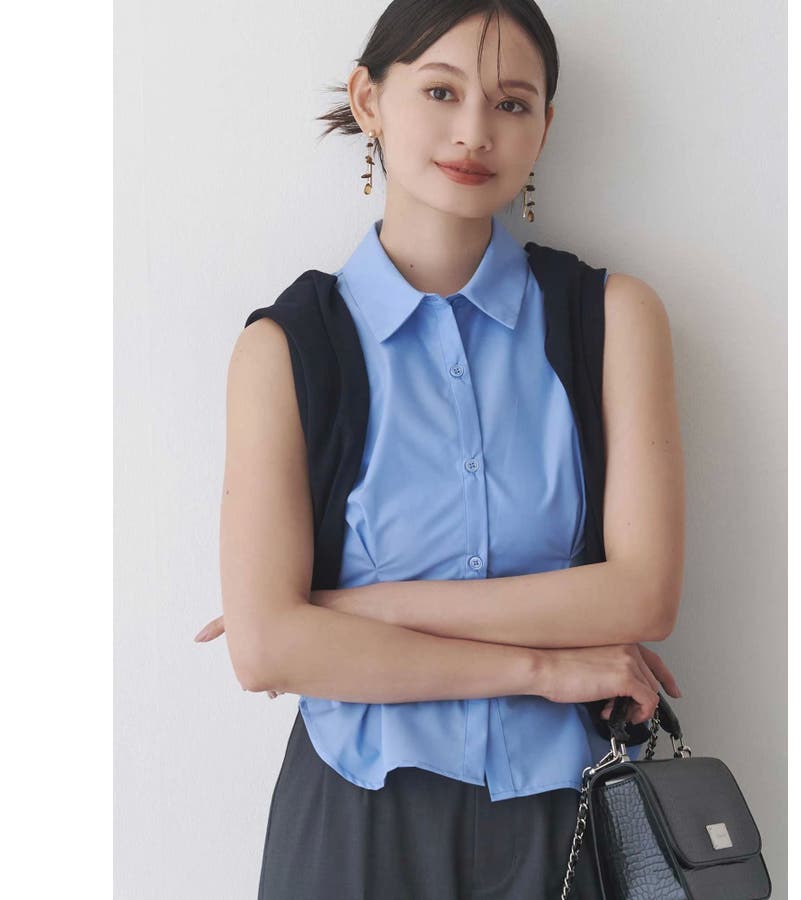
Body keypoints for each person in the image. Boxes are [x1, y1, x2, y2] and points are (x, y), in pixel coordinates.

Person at [195, 1, 685, 897]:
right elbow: (265, 652)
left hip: (567, 816)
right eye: (440, 91)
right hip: (354, 814)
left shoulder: (613, 320)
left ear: (543, 128)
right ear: (368, 99)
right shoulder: (285, 350)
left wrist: (350, 612)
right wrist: (543, 666)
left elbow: (643, 596)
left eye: (511, 103)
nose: (474, 132)